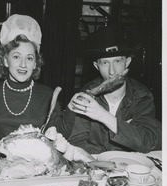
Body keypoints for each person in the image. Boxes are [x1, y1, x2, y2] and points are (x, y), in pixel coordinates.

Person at [0, 14, 72, 145]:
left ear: (36, 63)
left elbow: (59, 135)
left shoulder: (47, 95)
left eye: (29, 58)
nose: (23, 64)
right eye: (16, 57)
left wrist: (71, 111)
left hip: (34, 159)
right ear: (5, 60)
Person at [65, 24, 161, 154]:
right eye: (105, 63)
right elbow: (76, 142)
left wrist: (103, 116)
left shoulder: (142, 96)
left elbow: (148, 141)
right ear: (96, 66)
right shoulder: (86, 94)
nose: (112, 72)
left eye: (117, 61)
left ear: (127, 63)